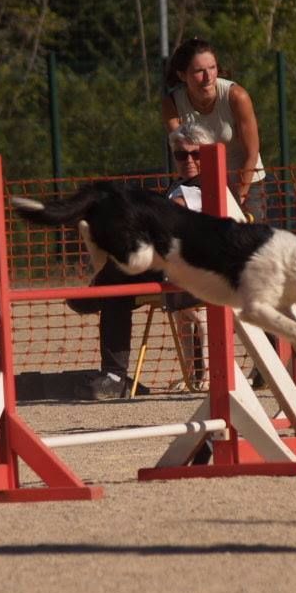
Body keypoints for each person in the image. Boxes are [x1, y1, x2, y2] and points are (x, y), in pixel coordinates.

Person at [68, 122, 222, 400]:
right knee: (117, 289)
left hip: (191, 278)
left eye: (195, 154)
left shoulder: (209, 190)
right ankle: (114, 376)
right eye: (180, 155)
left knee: (114, 283)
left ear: (208, 155)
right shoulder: (176, 188)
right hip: (163, 269)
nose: (188, 160)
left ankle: (97, 291)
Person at [162, 38, 267, 224]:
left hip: (247, 181)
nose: (208, 76)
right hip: (203, 183)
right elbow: (182, 150)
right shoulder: (172, 104)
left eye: (212, 68)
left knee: (252, 241)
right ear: (182, 75)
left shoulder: (237, 96)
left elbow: (252, 152)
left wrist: (238, 197)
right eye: (199, 71)